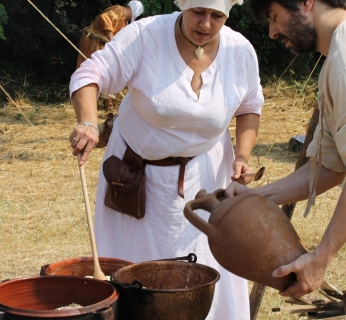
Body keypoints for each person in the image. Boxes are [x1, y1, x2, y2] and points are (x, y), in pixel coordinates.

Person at [69, 0, 264, 318]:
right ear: (183, 5)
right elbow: (89, 74)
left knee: (203, 267)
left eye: (216, 16)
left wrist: (242, 156)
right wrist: (89, 122)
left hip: (206, 177)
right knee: (136, 272)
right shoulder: (146, 36)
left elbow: (250, 106)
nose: (205, 24)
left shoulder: (239, 50)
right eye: (198, 13)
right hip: (138, 178)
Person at [225, 0, 346, 318]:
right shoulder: (340, 56)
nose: (271, 31)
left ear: (306, 2)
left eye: (274, 16)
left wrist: (321, 257)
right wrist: (254, 199)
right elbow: (328, 167)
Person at [76, 1, 144, 112]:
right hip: (92, 41)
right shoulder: (119, 10)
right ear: (133, 10)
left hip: (100, 45)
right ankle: (86, 102)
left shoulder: (124, 22)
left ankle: (108, 104)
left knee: (104, 72)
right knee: (92, 71)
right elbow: (104, 18)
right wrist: (111, 39)